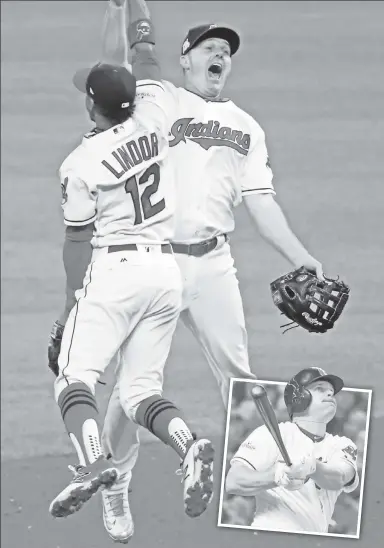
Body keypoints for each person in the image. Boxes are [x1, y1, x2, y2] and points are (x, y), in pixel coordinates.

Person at [48, 0, 326, 541]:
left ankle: (274, 498)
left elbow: (261, 202)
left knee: (241, 380)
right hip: (160, 259)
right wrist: (125, 12)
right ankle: (117, 495)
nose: (220, 54)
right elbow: (122, 64)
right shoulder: (159, 102)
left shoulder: (246, 127)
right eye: (209, 47)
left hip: (212, 265)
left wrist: (300, 256)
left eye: (227, 50)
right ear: (187, 59)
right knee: (132, 396)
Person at [48, 39, 214, 528]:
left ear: (90, 104)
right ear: (134, 98)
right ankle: (189, 445)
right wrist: (138, 20)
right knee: (140, 392)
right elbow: (147, 61)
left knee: (73, 377)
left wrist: (68, 313)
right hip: (165, 275)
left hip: (115, 273)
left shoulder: (79, 164)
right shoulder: (156, 115)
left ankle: (95, 461)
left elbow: (77, 244)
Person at [225, 368, 359, 533]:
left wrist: (313, 467)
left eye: (331, 391)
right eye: (320, 389)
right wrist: (277, 475)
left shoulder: (341, 444)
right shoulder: (269, 434)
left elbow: (341, 476)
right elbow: (233, 481)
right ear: (300, 397)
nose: (331, 394)